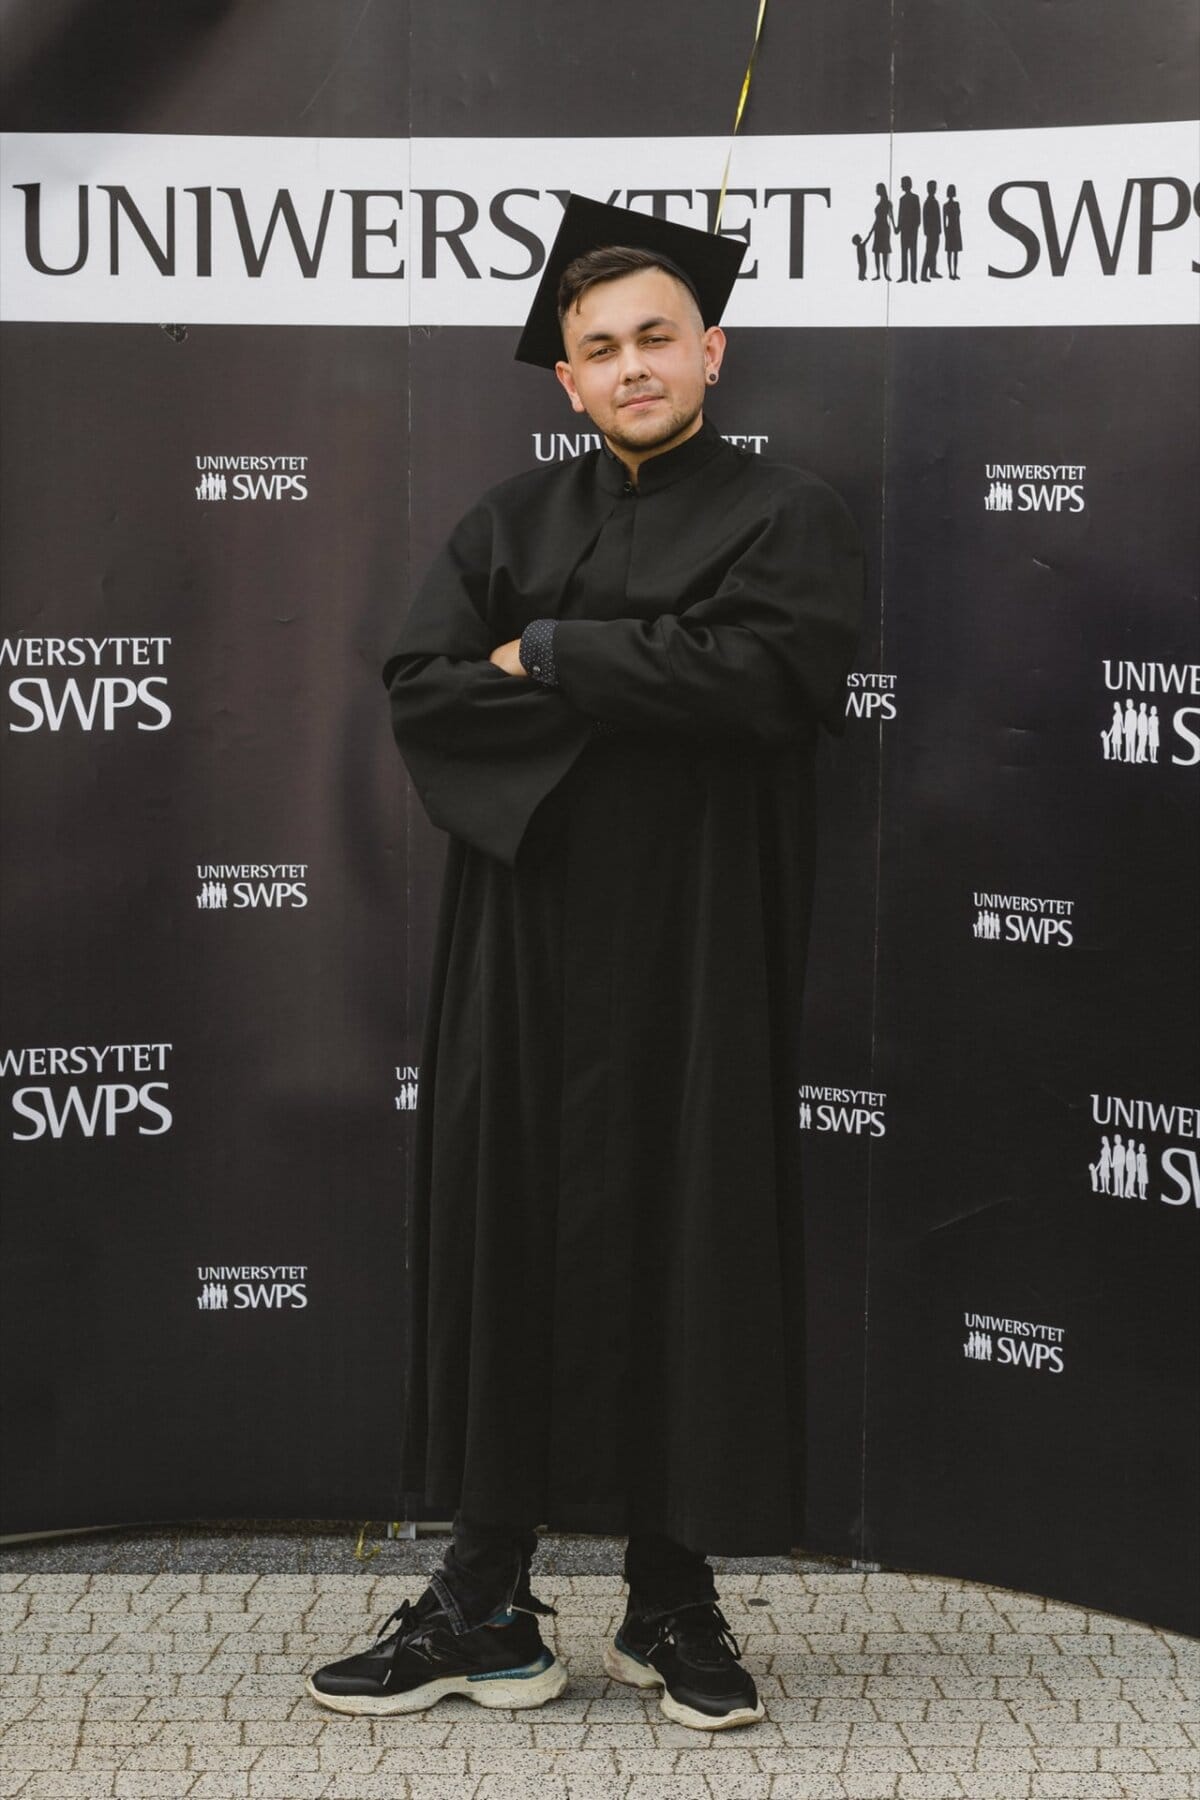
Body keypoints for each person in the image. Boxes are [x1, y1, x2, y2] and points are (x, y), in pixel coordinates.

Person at [307, 195, 863, 1732]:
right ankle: (485, 1601)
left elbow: (769, 676)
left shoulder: (786, 516)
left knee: (691, 1231)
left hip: (700, 945)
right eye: (600, 347)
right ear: (565, 376)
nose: (631, 366)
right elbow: (427, 687)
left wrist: (549, 655)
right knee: (509, 1229)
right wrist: (644, 674)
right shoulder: (506, 524)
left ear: (713, 351)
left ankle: (672, 1600)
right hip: (529, 943)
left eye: (656, 339)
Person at [897, 176, 920, 282]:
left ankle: (913, 277)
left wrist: (915, 227)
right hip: (905, 231)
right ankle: (905, 276)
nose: (901, 186)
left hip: (912, 230)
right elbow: (900, 215)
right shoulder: (902, 199)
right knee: (905, 254)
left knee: (912, 253)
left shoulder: (915, 198)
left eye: (903, 183)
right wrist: (898, 227)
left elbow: (918, 215)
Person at [921, 179, 942, 280]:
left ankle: (933, 271)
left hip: (935, 232)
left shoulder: (934, 202)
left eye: (934, 187)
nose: (934, 189)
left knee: (934, 251)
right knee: (929, 252)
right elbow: (925, 218)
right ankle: (923, 274)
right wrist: (926, 231)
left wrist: (939, 230)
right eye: (932, 187)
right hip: (931, 232)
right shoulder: (928, 202)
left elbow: (938, 218)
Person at [943, 183, 962, 279]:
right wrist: (945, 232)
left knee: (954, 253)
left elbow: (958, 216)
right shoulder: (946, 205)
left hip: (955, 229)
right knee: (951, 252)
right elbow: (944, 220)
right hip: (951, 229)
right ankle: (951, 273)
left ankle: (954, 273)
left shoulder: (955, 204)